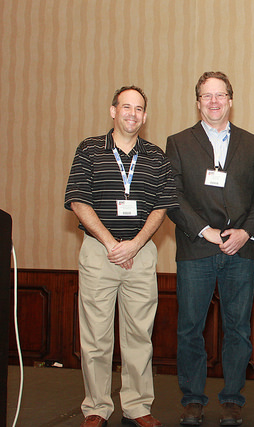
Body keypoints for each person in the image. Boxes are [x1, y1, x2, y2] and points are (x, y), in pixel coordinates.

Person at [64, 86, 177, 427]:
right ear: (113, 111)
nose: (132, 113)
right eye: (126, 106)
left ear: (145, 115)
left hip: (141, 254)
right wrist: (113, 243)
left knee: (139, 336)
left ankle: (137, 406)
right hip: (100, 252)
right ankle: (97, 406)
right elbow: (78, 201)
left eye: (139, 108)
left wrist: (135, 243)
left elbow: (161, 206)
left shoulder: (156, 156)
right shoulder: (89, 150)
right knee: (96, 336)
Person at [166, 71, 254, 426]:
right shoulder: (177, 142)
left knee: (238, 329)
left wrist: (247, 233)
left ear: (231, 101)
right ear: (197, 102)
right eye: (206, 96)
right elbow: (172, 196)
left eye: (220, 95)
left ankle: (233, 400)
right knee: (190, 328)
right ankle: (192, 399)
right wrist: (205, 231)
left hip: (240, 251)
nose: (214, 102)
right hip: (196, 249)